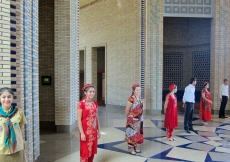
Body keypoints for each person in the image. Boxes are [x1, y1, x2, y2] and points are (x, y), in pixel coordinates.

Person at [0, 87, 27, 162]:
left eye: (9, 97)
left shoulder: (19, 112)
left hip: (17, 147)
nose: (6, 99)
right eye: (3, 97)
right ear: (0, 99)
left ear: (12, 98)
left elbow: (20, 129)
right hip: (1, 149)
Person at [77, 84, 100, 162]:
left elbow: (96, 118)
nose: (92, 93)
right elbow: (79, 119)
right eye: (90, 91)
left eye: (93, 92)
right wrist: (82, 133)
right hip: (85, 132)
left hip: (93, 132)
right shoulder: (81, 104)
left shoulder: (95, 103)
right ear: (85, 92)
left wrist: (98, 131)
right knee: (85, 152)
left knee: (92, 151)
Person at [125, 83, 144, 155]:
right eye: (137, 90)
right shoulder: (131, 98)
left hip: (139, 119)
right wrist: (129, 120)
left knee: (137, 133)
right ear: (134, 90)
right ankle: (131, 148)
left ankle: (136, 147)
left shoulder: (140, 98)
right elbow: (127, 110)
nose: (139, 91)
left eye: (140, 90)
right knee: (131, 133)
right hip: (132, 120)